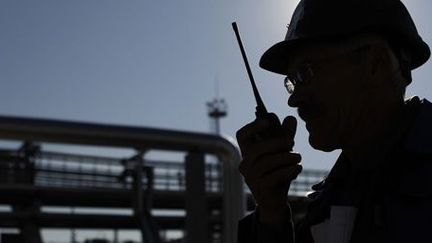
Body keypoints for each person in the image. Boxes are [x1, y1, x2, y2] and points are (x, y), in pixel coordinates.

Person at [236, 0, 432, 242]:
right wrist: (270, 214)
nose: (294, 99)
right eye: (291, 82)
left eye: (305, 73)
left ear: (375, 64)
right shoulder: (326, 202)